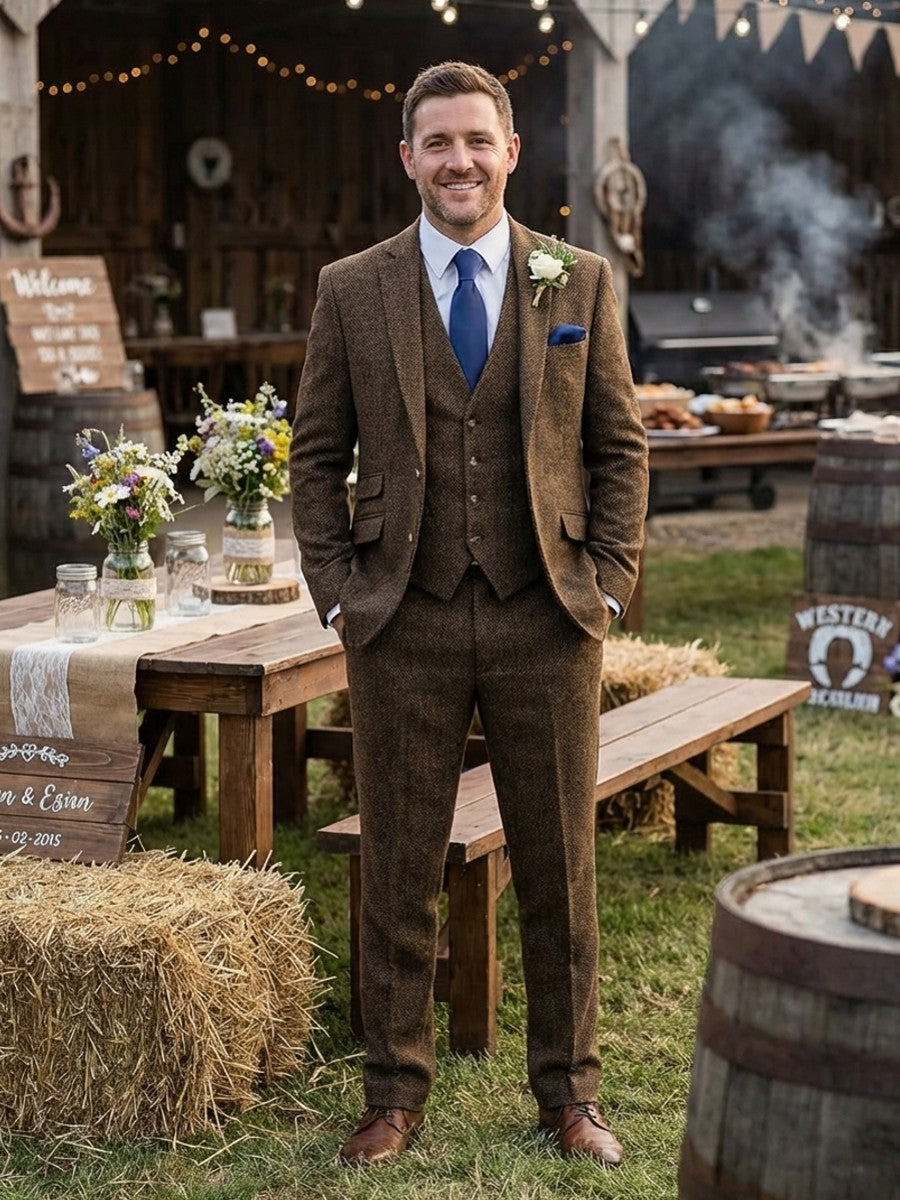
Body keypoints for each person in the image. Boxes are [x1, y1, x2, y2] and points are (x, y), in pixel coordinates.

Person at [289, 60, 649, 1169]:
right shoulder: (354, 287)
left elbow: (619, 443)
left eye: (477, 142)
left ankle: (569, 1096)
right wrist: (345, 595)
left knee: (560, 868)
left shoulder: (575, 280)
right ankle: (394, 1093)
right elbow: (315, 455)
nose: (459, 162)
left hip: (549, 613)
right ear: (409, 158)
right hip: (405, 614)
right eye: (436, 143)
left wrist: (610, 580)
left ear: (510, 153)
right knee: (398, 866)